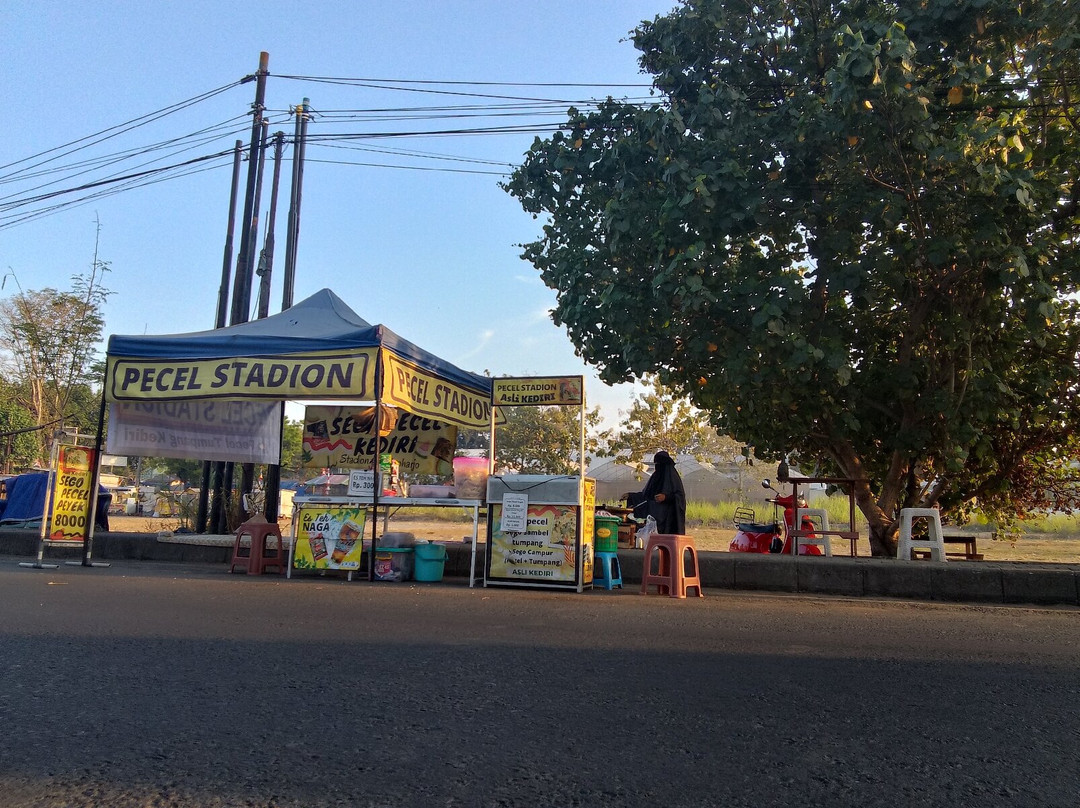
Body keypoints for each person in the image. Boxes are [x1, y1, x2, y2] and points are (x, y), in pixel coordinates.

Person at [624, 450, 686, 534]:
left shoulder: (673, 477)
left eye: (659, 464)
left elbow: (680, 497)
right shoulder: (655, 477)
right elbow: (646, 496)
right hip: (652, 517)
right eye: (656, 464)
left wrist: (666, 497)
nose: (657, 466)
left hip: (667, 519)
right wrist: (630, 496)